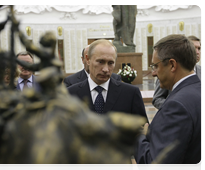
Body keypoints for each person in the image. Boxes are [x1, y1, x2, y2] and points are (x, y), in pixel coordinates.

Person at [135, 34, 203, 170]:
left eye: (155, 66)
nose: (153, 73)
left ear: (172, 65)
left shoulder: (176, 106)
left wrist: (140, 138)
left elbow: (154, 165)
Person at [68, 39, 148, 121]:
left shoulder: (130, 94)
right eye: (100, 62)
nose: (106, 69)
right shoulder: (70, 94)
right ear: (88, 59)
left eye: (110, 63)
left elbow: (142, 129)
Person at [152, 35, 203, 109]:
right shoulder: (166, 72)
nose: (197, 52)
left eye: (199, 48)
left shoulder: (202, 71)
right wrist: (175, 107)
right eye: (193, 48)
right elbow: (157, 99)